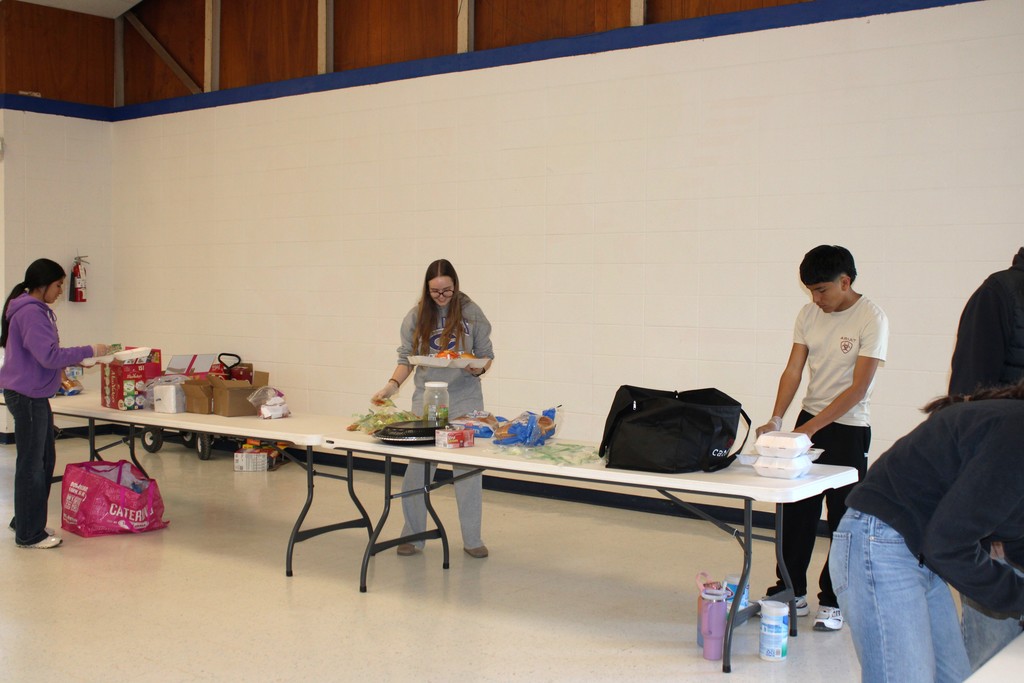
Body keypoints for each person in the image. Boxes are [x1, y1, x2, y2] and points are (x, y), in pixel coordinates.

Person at [831, 380, 1024, 683]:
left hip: (917, 552)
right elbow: (949, 544)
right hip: (879, 545)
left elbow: (1016, 537)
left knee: (954, 677)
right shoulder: (1016, 433)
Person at [757, 245, 889, 632]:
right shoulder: (808, 314)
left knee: (843, 515)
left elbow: (858, 388)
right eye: (811, 292)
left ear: (845, 282)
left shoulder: (872, 318)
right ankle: (790, 590)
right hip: (807, 422)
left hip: (848, 426)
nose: (816, 299)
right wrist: (778, 418)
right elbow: (794, 369)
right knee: (796, 510)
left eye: (822, 291)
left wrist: (809, 430)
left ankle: (834, 599)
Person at [371, 259, 494, 558]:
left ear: (456, 286)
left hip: (465, 400)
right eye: (435, 291)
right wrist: (391, 386)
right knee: (418, 469)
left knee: (467, 471)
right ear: (427, 290)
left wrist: (474, 369)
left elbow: (486, 356)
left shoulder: (472, 313)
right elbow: (406, 358)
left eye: (447, 291)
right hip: (427, 401)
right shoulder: (416, 316)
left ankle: (472, 539)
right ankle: (413, 535)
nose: (441, 297)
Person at [947, 246, 1024, 670]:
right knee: (991, 653)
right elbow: (968, 408)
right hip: (1001, 510)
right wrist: (985, 523)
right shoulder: (1000, 294)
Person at [0, 258, 108, 549]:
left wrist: (76, 360)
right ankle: (29, 533)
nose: (61, 291)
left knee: (44, 459)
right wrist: (90, 350)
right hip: (27, 395)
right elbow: (48, 356)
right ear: (43, 284)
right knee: (33, 465)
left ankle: (25, 521)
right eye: (58, 285)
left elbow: (43, 356)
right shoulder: (31, 313)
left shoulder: (31, 310)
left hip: (32, 394)